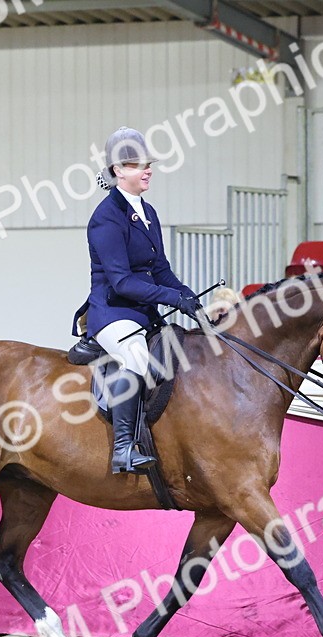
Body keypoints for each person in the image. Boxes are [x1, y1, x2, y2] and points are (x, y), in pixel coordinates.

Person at [75, 126, 201, 474]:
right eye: (138, 165)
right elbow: (122, 281)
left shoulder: (148, 212)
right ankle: (123, 448)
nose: (147, 170)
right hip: (114, 312)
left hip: (143, 313)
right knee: (136, 356)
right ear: (118, 171)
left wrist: (187, 295)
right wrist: (171, 298)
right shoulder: (105, 218)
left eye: (148, 164)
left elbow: (159, 268)